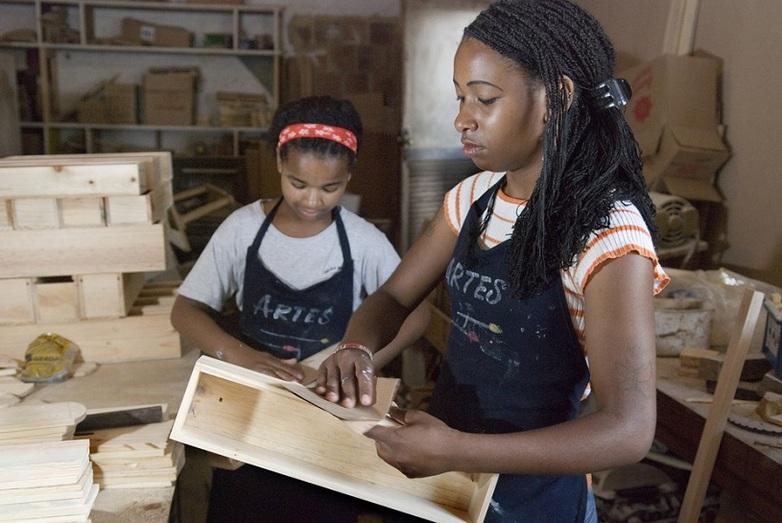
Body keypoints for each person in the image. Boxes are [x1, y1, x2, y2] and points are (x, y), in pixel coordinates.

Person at [316, 1, 670, 521]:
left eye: (484, 99)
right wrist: (357, 346)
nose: (462, 118)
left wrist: (457, 450)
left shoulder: (607, 235)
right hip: (446, 479)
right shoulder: (474, 199)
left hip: (532, 501)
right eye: (460, 97)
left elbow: (628, 429)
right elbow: (393, 297)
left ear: (558, 98)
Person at [170, 95, 429, 521]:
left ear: (349, 175)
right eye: (298, 183)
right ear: (278, 163)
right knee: (243, 503)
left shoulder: (362, 241)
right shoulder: (243, 229)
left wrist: (357, 364)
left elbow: (414, 314)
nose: (312, 201)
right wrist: (244, 357)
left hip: (325, 415)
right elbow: (186, 310)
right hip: (250, 409)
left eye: (331, 188)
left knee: (319, 508)